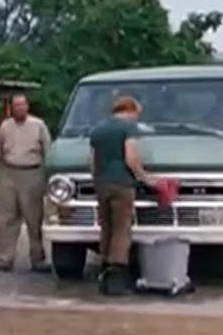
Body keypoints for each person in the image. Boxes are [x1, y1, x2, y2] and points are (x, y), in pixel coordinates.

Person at [89, 95, 156, 295]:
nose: (137, 119)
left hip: (101, 183)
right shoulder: (128, 128)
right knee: (122, 229)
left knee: (106, 227)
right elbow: (131, 158)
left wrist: (98, 179)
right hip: (122, 184)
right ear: (130, 111)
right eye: (137, 114)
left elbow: (92, 162)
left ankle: (103, 268)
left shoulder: (97, 130)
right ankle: (116, 275)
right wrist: (145, 178)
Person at [0, 94, 52, 272]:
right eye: (16, 106)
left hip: (32, 173)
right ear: (12, 108)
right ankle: (4, 258)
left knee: (34, 218)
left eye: (22, 105)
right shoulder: (5, 126)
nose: (19, 108)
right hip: (10, 173)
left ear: (27, 107)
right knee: (5, 218)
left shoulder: (39, 125)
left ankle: (38, 259)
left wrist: (50, 177)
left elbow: (49, 152)